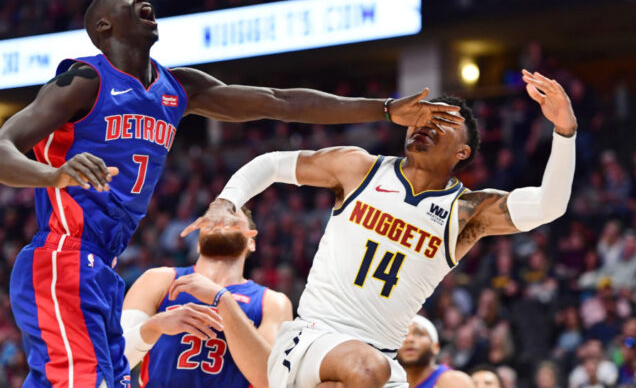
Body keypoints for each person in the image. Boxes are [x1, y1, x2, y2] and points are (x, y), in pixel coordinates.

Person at [0, 0, 461, 388]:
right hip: (63, 257)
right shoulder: (85, 79)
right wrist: (52, 175)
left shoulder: (177, 88)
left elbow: (279, 102)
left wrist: (381, 108)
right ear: (103, 27)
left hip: (102, 265)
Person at [184, 69, 578, 387]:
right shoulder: (360, 168)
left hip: (384, 361)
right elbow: (272, 164)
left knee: (372, 370)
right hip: (314, 338)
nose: (428, 123)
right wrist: (226, 201)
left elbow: (550, 205)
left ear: (463, 152)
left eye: (444, 121)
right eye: (424, 115)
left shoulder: (467, 212)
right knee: (366, 369)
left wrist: (564, 132)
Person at [121, 207, 292, 388]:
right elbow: (115, 359)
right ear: (198, 242)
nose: (221, 219)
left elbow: (270, 381)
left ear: (251, 242)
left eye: (232, 215)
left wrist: (224, 301)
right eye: (213, 216)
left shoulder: (272, 302)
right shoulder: (159, 279)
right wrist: (155, 326)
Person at [397, 315, 473, 388]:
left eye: (419, 333)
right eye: (403, 335)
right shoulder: (389, 381)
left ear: (435, 347)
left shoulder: (454, 381)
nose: (409, 339)